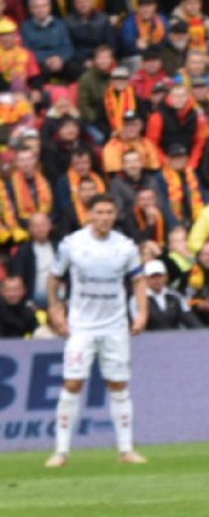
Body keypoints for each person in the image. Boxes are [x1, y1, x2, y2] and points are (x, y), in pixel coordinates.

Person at [44, 194, 148, 468]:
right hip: (81, 327)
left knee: (118, 384)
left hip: (115, 326)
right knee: (72, 382)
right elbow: (54, 277)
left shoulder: (125, 246)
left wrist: (142, 313)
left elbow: (138, 280)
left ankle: (126, 450)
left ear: (115, 215)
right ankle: (61, 451)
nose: (104, 217)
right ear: (89, 214)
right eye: (99, 212)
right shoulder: (72, 244)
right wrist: (55, 309)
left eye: (109, 212)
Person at [134, 259, 201, 331]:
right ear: (145, 279)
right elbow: (135, 324)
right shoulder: (137, 299)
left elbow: (190, 319)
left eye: (159, 276)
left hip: (174, 336)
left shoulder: (175, 296)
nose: (157, 280)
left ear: (166, 277)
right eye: (152, 276)